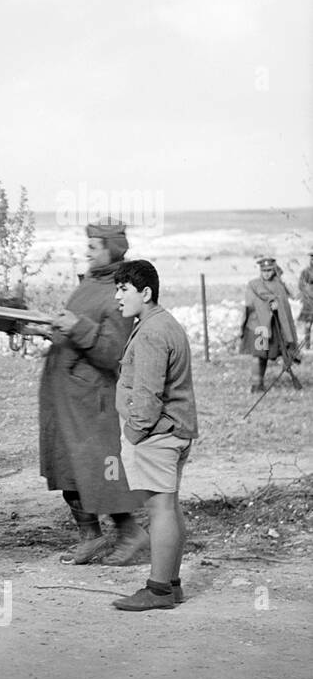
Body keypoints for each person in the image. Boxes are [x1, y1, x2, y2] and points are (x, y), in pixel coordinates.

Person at [37, 221, 149, 565]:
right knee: (65, 465)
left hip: (90, 398)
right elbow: (76, 330)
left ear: (111, 250)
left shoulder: (120, 290)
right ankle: (90, 536)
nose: (87, 251)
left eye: (94, 246)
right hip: (64, 392)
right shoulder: (91, 283)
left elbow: (114, 351)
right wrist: (50, 330)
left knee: (98, 469)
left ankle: (131, 534)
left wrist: (77, 327)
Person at [110, 260, 198, 611]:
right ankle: (171, 584)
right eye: (116, 289)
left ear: (145, 293)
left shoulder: (150, 331)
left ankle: (158, 589)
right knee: (169, 507)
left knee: (159, 509)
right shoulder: (163, 322)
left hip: (157, 435)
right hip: (174, 431)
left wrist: (134, 432)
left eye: (123, 289)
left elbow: (147, 394)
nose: (117, 297)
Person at [241, 256, 302, 393]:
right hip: (260, 327)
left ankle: (287, 370)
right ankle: (256, 385)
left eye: (269, 270)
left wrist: (278, 306)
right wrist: (269, 304)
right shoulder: (254, 284)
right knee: (259, 355)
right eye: (264, 271)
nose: (266, 273)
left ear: (274, 270)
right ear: (260, 271)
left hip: (275, 327)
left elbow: (287, 304)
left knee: (276, 354)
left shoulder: (278, 286)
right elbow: (252, 303)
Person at [299, 250, 313, 349]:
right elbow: (301, 285)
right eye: (312, 258)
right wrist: (308, 292)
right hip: (309, 302)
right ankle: (307, 345)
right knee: (308, 325)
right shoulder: (305, 272)